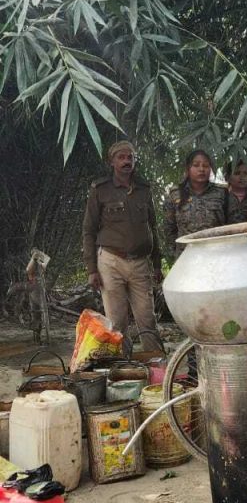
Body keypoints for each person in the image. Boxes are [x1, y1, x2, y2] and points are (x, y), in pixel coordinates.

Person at [82, 140, 162, 352]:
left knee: (147, 319)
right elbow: (89, 230)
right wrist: (91, 269)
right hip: (111, 262)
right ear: (112, 161)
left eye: (130, 157)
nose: (127, 161)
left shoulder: (144, 189)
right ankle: (123, 365)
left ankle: (156, 364)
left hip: (140, 263)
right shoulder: (100, 189)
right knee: (117, 322)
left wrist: (157, 264)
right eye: (121, 157)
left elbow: (153, 227)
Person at [163, 149, 227, 258]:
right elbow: (169, 229)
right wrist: (175, 254)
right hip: (186, 256)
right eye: (196, 165)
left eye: (206, 165)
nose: (201, 169)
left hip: (216, 255)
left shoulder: (221, 193)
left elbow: (230, 224)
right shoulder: (175, 194)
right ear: (188, 169)